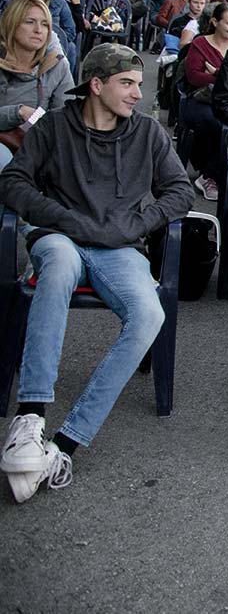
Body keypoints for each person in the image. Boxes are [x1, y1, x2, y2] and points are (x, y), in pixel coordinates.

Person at [0, 45, 192, 502]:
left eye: (138, 84)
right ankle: (30, 416)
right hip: (60, 236)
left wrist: (135, 224)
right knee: (60, 264)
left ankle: (65, 443)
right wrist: (63, 219)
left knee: (149, 314)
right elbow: (12, 182)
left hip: (119, 246)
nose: (137, 93)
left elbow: (180, 191)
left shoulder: (147, 132)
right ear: (96, 84)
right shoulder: (53, 127)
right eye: (127, 83)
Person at [0, 0, 75, 171]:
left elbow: (67, 115)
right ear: (12, 24)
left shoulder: (56, 65)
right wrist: (19, 112)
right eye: (29, 22)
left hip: (40, 143)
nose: (38, 30)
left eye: (44, 24)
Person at [182, 2, 228, 200]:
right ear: (215, 22)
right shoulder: (200, 43)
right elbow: (194, 77)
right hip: (201, 100)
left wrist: (216, 73)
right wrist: (224, 79)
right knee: (215, 123)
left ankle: (219, 173)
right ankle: (209, 176)